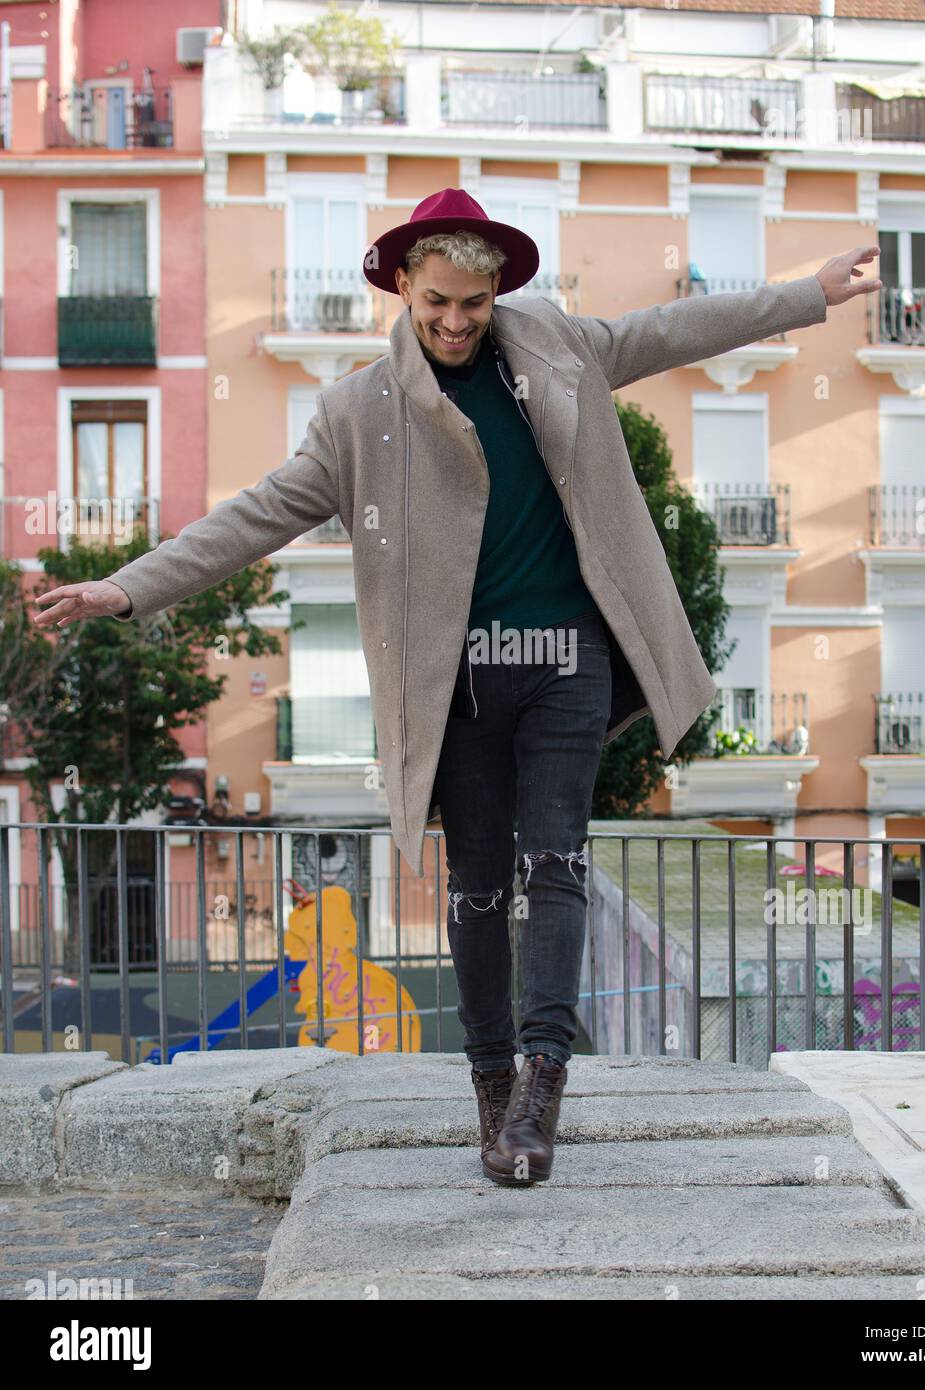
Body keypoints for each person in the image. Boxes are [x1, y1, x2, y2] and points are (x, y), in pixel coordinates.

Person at [33, 187, 881, 1185]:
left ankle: (541, 1085)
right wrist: (122, 589)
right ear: (402, 285)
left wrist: (803, 294)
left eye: (471, 304)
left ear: (495, 293)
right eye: (434, 300)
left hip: (568, 657)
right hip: (458, 684)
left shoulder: (556, 346)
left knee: (554, 862)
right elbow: (252, 518)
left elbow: (668, 328)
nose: (452, 321)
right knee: (477, 887)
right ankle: (489, 1085)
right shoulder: (356, 415)